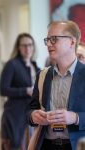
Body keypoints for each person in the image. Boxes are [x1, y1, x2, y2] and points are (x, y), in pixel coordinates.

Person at [27, 20, 85, 150]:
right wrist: (33, 116)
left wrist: (75, 118)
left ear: (72, 41)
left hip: (76, 145)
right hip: (46, 144)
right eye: (47, 39)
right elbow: (29, 110)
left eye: (53, 39)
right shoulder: (42, 75)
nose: (48, 44)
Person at [0, 33, 40, 150]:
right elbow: (3, 89)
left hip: (31, 114)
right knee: (15, 146)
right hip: (15, 115)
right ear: (18, 47)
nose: (27, 48)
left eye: (30, 45)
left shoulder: (35, 66)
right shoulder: (12, 64)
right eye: (24, 45)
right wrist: (25, 91)